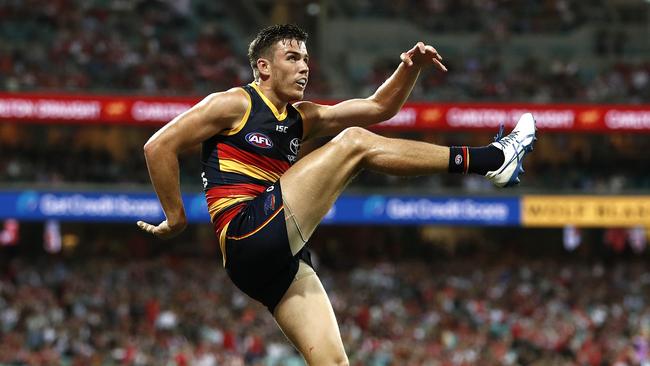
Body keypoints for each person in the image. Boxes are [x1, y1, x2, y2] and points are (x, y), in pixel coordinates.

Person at [137, 24, 536, 365]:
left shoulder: (303, 117)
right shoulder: (233, 103)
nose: (304, 67)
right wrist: (176, 218)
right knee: (354, 144)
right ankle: (491, 158)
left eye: (306, 59)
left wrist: (408, 69)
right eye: (292, 58)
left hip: (278, 259)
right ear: (263, 67)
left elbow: (379, 107)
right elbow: (158, 147)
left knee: (334, 361)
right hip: (248, 233)